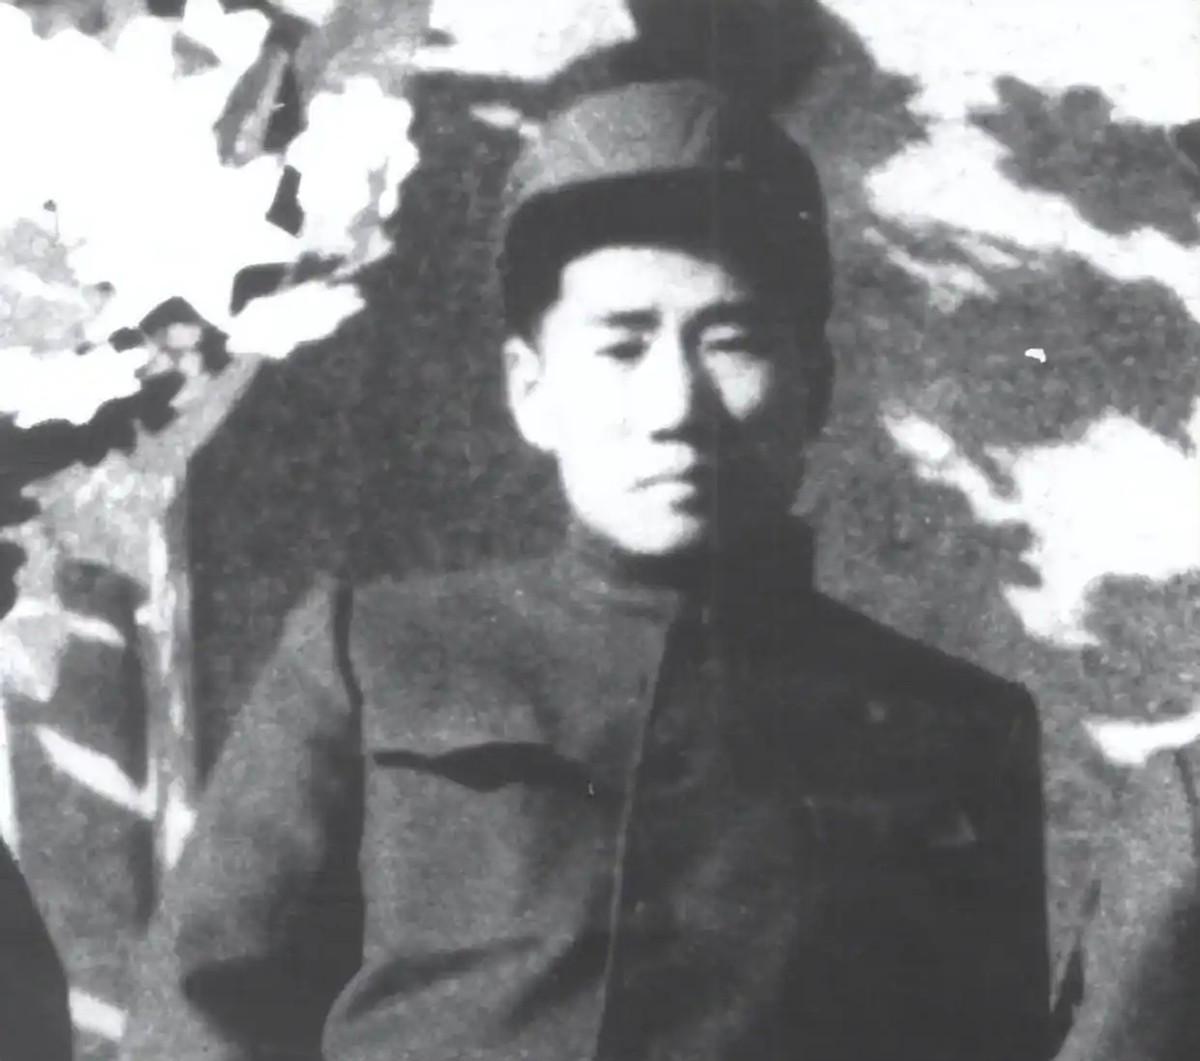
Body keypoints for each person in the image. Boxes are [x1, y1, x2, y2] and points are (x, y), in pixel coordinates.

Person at [120, 78, 1050, 1060]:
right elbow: (200, 1018)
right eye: (620, 345)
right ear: (531, 390)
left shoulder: (957, 729)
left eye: (731, 342)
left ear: (812, 388)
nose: (674, 406)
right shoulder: (377, 657)